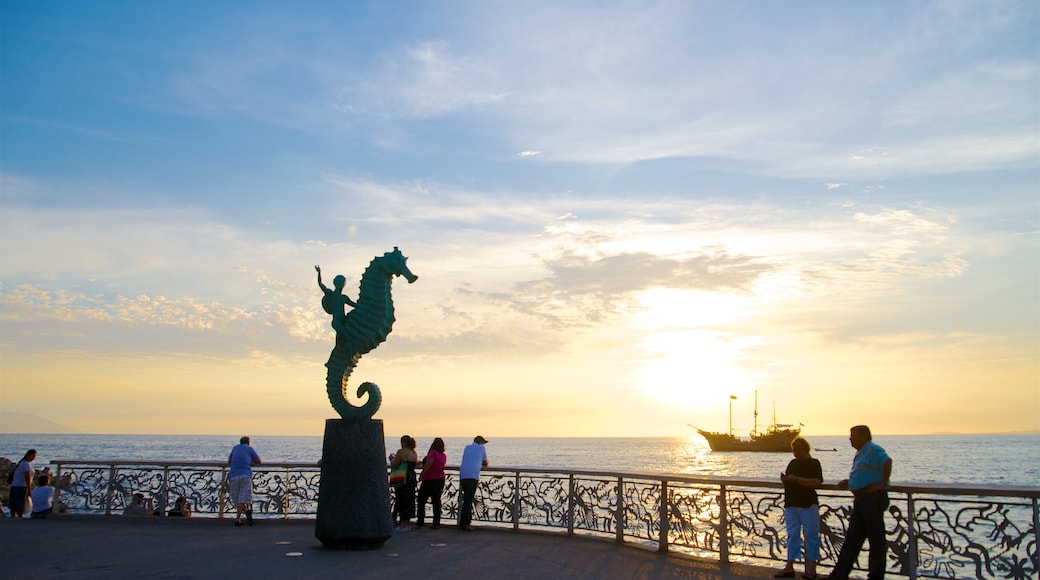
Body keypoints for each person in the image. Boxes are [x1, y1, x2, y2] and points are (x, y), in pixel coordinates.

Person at [828, 425, 893, 580]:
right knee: (853, 538)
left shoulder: (872, 449)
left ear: (864, 436)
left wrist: (882, 484)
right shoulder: (862, 452)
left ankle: (875, 576)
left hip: (871, 498)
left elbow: (887, 461)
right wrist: (850, 483)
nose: (850, 439)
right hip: (862, 499)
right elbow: (866, 473)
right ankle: (839, 575)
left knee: (875, 539)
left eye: (853, 435)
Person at [776, 437, 823, 579]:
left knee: (811, 536)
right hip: (791, 504)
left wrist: (796, 480)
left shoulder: (813, 463)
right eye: (793, 450)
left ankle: (811, 569)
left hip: (808, 504)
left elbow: (816, 482)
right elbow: (789, 482)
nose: (794, 453)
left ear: (804, 449)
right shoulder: (792, 463)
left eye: (797, 450)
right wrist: (786, 480)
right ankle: (789, 566)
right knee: (792, 536)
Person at [228, 435, 262, 527]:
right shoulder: (250, 449)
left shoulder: (235, 448)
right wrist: (250, 463)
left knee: (237, 498)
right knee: (242, 498)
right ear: (248, 442)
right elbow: (258, 461)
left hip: (233, 475)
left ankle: (245, 513)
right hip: (245, 474)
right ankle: (238, 518)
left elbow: (230, 460)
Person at [457, 435, 489, 532]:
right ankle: (465, 524)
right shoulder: (481, 448)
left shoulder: (467, 447)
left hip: (463, 476)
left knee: (465, 500)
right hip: (472, 476)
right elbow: (485, 462)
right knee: (468, 501)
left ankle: (463, 523)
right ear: (481, 442)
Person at [315, 265, 357, 335]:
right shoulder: (330, 294)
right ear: (334, 283)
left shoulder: (344, 298)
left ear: (344, 284)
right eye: (338, 281)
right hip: (336, 322)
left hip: (344, 321)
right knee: (347, 335)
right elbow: (320, 284)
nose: (340, 283)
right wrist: (319, 272)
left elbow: (356, 305)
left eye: (342, 281)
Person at [416, 437, 447, 529]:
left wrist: (422, 473)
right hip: (440, 479)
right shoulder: (443, 455)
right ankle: (436, 522)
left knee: (421, 500)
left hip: (430, 479)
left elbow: (429, 463)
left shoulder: (432, 453)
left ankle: (420, 522)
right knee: (436, 501)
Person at [389, 435, 418, 531]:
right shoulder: (414, 453)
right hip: (412, 477)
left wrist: (392, 458)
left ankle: (403, 525)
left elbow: (395, 464)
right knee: (410, 499)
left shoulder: (402, 452)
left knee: (402, 499)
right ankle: (408, 523)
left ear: (404, 442)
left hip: (402, 478)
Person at [8, 449, 37, 518]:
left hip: (15, 485)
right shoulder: (26, 464)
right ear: (28, 455)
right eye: (33, 456)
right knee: (20, 503)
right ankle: (19, 517)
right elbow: (27, 477)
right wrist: (29, 488)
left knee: (14, 502)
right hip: (22, 486)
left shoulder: (22, 463)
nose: (33, 458)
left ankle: (13, 516)